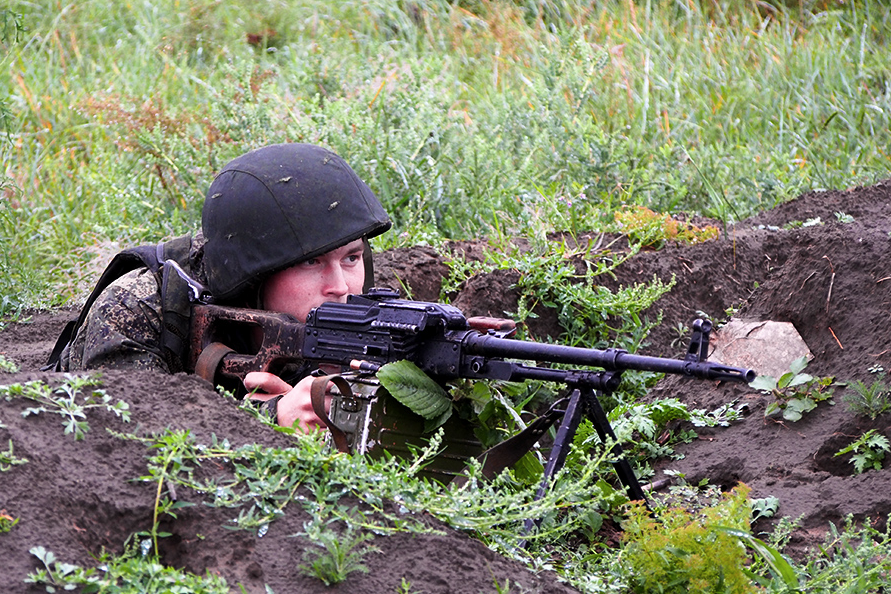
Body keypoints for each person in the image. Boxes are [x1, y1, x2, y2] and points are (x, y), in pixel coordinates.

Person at [50, 143, 391, 433]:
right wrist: (269, 420)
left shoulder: (363, 318)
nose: (341, 286)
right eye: (310, 262)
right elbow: (118, 437)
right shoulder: (137, 308)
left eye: (351, 258)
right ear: (254, 275)